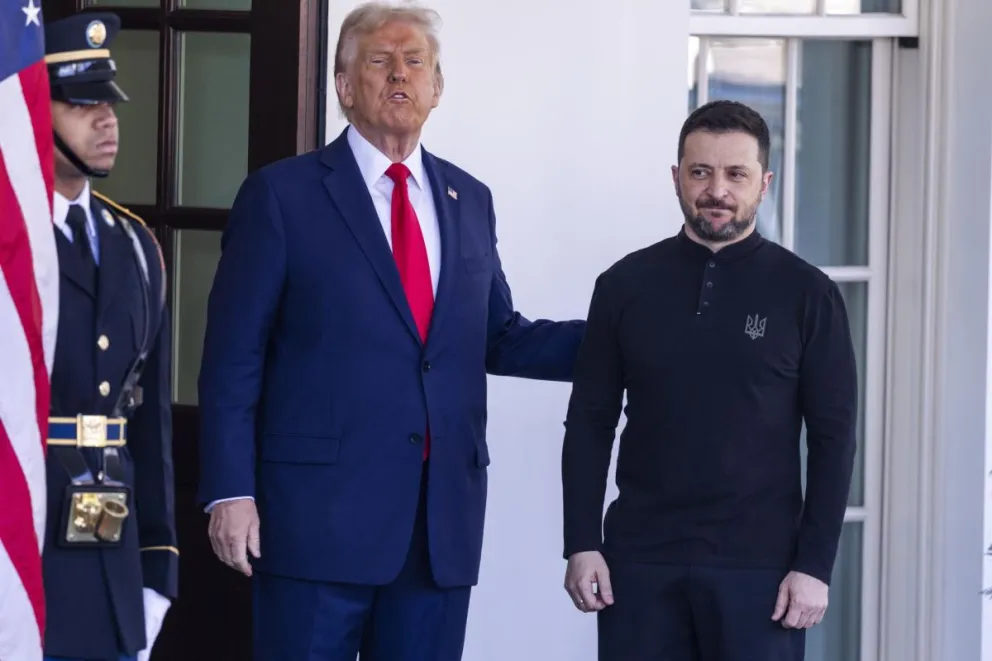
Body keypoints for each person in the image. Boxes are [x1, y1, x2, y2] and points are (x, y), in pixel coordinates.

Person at [196, 2, 585, 660]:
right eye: (379, 60)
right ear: (345, 87)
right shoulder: (282, 196)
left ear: (438, 87)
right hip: (314, 523)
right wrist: (230, 490)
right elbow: (234, 357)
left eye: (416, 62)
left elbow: (498, 335)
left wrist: (628, 337)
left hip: (437, 530)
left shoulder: (471, 198)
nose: (399, 74)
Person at [560, 100, 858, 661]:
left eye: (735, 174)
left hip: (762, 572)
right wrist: (581, 542)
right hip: (639, 563)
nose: (716, 190)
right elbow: (590, 422)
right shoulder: (624, 285)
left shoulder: (807, 294)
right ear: (677, 178)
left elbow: (834, 439)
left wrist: (813, 566)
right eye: (700, 172)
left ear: (763, 183)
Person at [40, 12, 177, 661]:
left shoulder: (136, 246)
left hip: (112, 565)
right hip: (23, 558)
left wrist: (158, 568)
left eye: (110, 102)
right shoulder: (14, 243)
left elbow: (147, 425)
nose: (107, 120)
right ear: (36, 112)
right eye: (83, 103)